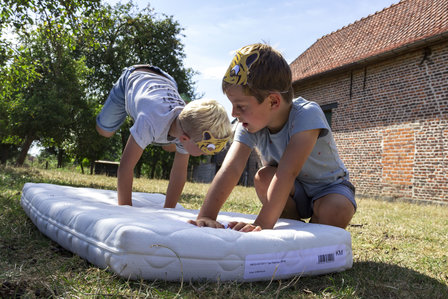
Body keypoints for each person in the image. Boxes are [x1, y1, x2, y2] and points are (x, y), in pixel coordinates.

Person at [189, 44, 356, 231]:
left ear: (273, 101)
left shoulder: (307, 114)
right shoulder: (249, 124)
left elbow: (287, 171)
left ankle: (312, 235)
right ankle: (294, 227)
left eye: (241, 106)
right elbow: (231, 168)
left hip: (328, 190)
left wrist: (261, 226)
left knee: (337, 209)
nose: (234, 113)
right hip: (293, 191)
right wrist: (206, 216)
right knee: (264, 177)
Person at [96, 64, 231, 208]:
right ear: (185, 138)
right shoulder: (150, 122)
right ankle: (130, 115)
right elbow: (125, 167)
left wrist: (169, 209)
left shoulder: (186, 129)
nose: (206, 154)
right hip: (133, 79)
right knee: (105, 131)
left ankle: (160, 134)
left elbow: (179, 175)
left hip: (167, 81)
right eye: (205, 149)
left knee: (170, 147)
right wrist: (126, 208)